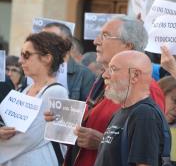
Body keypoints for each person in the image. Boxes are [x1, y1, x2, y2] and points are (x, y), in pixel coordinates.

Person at [45, 16, 165, 166]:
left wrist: (102, 141)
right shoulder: (103, 81)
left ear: (128, 45)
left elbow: (149, 148)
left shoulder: (146, 87)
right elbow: (93, 123)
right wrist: (62, 120)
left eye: (105, 35)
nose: (96, 41)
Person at [0, 32, 69, 166]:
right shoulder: (24, 90)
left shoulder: (56, 91)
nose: (20, 61)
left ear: (47, 58)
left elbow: (28, 137)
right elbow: (11, 128)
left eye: (26, 55)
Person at [94, 50, 169, 166]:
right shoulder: (121, 112)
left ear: (135, 75)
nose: (105, 75)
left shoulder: (144, 114)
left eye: (113, 69)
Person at [43, 22, 95, 101]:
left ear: (67, 42)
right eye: (41, 39)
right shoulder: (33, 69)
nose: (42, 44)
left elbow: (87, 109)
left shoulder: (84, 74)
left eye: (50, 39)